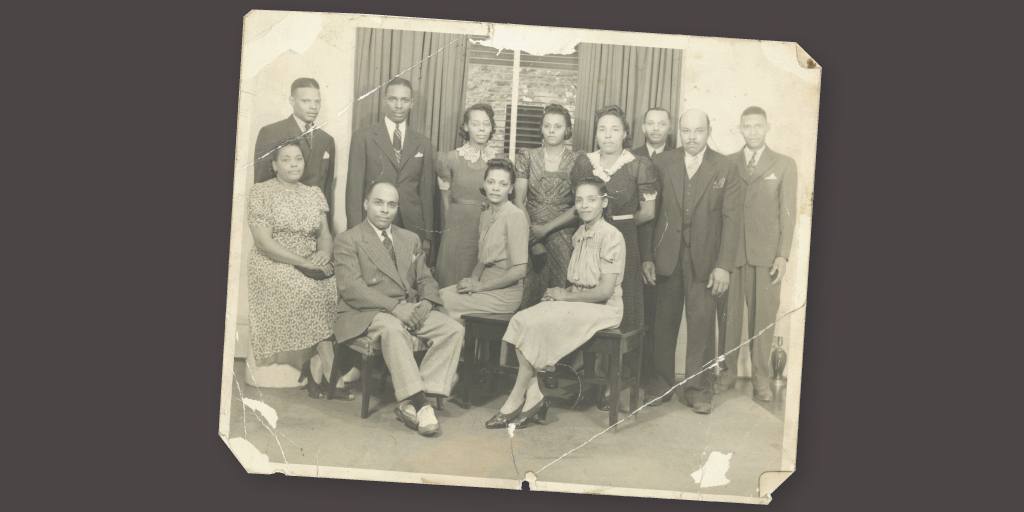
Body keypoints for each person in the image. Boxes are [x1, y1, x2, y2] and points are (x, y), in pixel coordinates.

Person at [485, 177, 627, 429]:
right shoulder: (579, 234)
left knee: (537, 324)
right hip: (579, 301)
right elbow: (578, 282)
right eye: (579, 200)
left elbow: (604, 291)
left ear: (604, 202)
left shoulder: (612, 236)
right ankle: (535, 396)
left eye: (591, 200)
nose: (584, 205)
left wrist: (566, 297)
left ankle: (516, 399)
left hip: (604, 309)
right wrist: (559, 293)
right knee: (522, 319)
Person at [333, 182, 464, 437]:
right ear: (366, 204)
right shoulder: (349, 239)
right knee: (394, 330)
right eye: (379, 203)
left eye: (391, 205)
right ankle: (422, 405)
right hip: (365, 312)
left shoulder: (409, 239)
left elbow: (425, 279)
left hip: (407, 308)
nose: (385, 210)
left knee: (453, 329)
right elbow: (351, 289)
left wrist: (426, 304)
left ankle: (409, 401)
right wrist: (395, 308)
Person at [639, 109, 744, 415]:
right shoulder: (661, 163)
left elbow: (732, 220)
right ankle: (660, 384)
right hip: (665, 259)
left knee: (701, 326)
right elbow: (649, 216)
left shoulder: (725, 167)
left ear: (709, 131)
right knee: (662, 324)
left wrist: (723, 265)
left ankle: (698, 390)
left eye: (698, 131)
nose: (692, 137)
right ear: (679, 132)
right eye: (686, 131)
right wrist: (646, 257)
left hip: (706, 263)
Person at [247, 140, 349, 400]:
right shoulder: (261, 192)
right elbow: (263, 242)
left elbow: (325, 234)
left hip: (310, 259)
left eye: (298, 159)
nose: (294, 164)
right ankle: (327, 366)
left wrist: (324, 254)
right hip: (272, 262)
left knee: (337, 286)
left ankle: (316, 364)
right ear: (274, 165)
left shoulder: (313, 193)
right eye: (286, 159)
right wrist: (303, 263)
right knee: (307, 288)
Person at [718, 106, 797, 401]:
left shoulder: (784, 164)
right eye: (747, 126)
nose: (752, 131)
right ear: (740, 128)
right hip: (733, 256)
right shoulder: (727, 162)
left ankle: (761, 380)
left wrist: (782, 255)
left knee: (763, 321)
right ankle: (726, 375)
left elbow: (787, 215)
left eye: (757, 126)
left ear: (767, 127)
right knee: (729, 320)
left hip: (766, 259)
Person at [571, 105, 657, 333]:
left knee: (624, 304)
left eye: (615, 129)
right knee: (587, 298)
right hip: (588, 241)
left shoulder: (639, 165)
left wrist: (613, 230)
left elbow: (648, 212)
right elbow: (578, 205)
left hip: (625, 239)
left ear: (625, 134)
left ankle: (621, 368)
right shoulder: (583, 163)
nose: (608, 135)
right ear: (596, 133)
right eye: (602, 129)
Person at [346, 78, 436, 257]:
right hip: (373, 223)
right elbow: (354, 191)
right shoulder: (363, 137)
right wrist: (355, 232)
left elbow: (427, 193)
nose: (399, 105)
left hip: (412, 225)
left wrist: (427, 235)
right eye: (393, 99)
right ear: (384, 100)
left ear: (411, 103)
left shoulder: (423, 143)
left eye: (404, 100)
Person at [439, 158, 529, 321]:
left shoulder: (515, 216)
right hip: (484, 287)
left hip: (504, 295)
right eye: (491, 182)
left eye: (503, 184)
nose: (495, 188)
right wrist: (472, 284)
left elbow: (519, 271)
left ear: (510, 189)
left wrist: (479, 286)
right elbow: (481, 262)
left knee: (441, 303)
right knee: (437, 296)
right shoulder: (486, 215)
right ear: (484, 184)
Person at [514, 104, 581, 310]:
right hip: (530, 233)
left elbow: (579, 206)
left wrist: (547, 228)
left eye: (558, 126)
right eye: (547, 125)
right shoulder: (527, 156)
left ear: (567, 130)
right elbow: (518, 201)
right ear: (541, 129)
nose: (552, 130)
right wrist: (532, 239)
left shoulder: (578, 160)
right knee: (528, 294)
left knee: (559, 298)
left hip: (564, 236)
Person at [253, 78, 337, 231]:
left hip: (315, 226)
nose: (313, 107)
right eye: (306, 101)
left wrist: (327, 234)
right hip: (281, 226)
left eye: (317, 102)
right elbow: (261, 188)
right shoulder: (271, 133)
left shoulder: (327, 140)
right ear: (292, 100)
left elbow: (326, 191)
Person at [434, 104, 503, 288]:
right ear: (466, 126)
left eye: (486, 124)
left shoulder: (500, 160)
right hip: (457, 228)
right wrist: (449, 234)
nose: (481, 128)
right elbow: (444, 202)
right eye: (475, 123)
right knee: (452, 280)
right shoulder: (449, 159)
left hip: (488, 226)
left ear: (491, 127)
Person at [630, 107, 673, 403]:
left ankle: (658, 382)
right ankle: (631, 379)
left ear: (669, 127)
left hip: (667, 250)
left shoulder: (678, 159)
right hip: (633, 245)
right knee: (635, 316)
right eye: (651, 123)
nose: (656, 128)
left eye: (662, 123)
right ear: (643, 126)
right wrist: (643, 254)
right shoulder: (629, 157)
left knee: (660, 319)